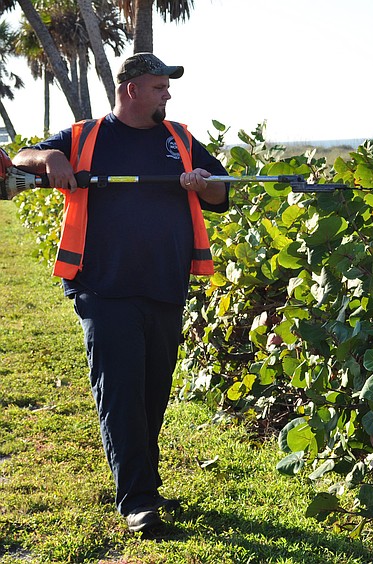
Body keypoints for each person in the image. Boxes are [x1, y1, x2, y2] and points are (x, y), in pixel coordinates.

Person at [12, 53, 229, 534]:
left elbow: (220, 194)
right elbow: (24, 158)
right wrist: (51, 157)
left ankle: (142, 481)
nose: (167, 95)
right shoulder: (85, 136)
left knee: (153, 392)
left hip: (165, 284)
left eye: (167, 88)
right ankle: (138, 501)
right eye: (159, 87)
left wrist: (203, 184)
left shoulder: (181, 139)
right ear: (131, 89)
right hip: (102, 286)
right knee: (121, 391)